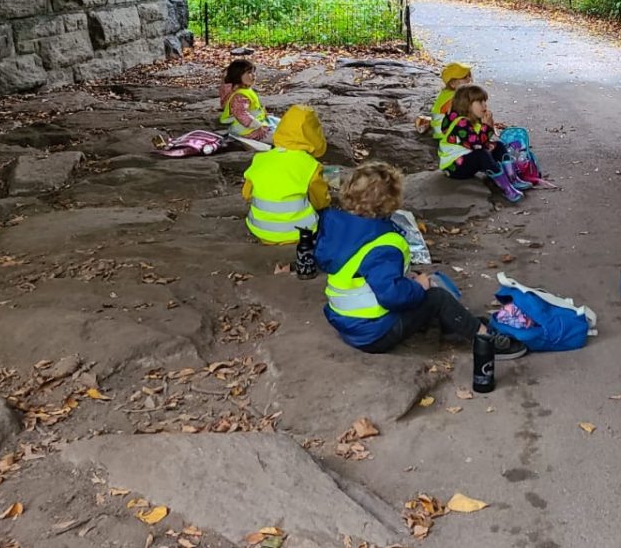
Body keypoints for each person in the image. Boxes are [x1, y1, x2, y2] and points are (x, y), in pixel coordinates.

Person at [313, 160, 527, 358]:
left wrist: (407, 279)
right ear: (391, 202)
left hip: (346, 323)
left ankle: (459, 322)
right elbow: (391, 296)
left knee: (420, 286)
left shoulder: (338, 229)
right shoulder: (384, 244)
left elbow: (362, 273)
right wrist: (418, 287)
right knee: (436, 297)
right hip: (373, 333)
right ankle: (485, 339)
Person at [241, 105, 332, 243]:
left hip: (260, 229)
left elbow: (246, 195)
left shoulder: (260, 159)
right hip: (300, 233)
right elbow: (320, 202)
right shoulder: (311, 165)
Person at [437, 84, 526, 202]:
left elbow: (480, 140)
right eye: (480, 102)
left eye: (485, 101)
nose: (485, 105)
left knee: (497, 145)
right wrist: (486, 126)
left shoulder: (471, 118)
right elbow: (477, 143)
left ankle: (512, 178)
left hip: (466, 156)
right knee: (481, 154)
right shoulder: (461, 123)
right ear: (466, 104)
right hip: (454, 167)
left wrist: (488, 126)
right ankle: (506, 188)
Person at [219, 59, 278, 141]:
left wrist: (263, 114)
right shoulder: (239, 96)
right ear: (237, 75)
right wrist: (258, 126)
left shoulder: (245, 90)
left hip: (256, 121)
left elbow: (253, 107)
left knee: (279, 122)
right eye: (249, 73)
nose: (254, 75)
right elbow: (241, 114)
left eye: (254, 72)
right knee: (280, 137)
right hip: (247, 129)